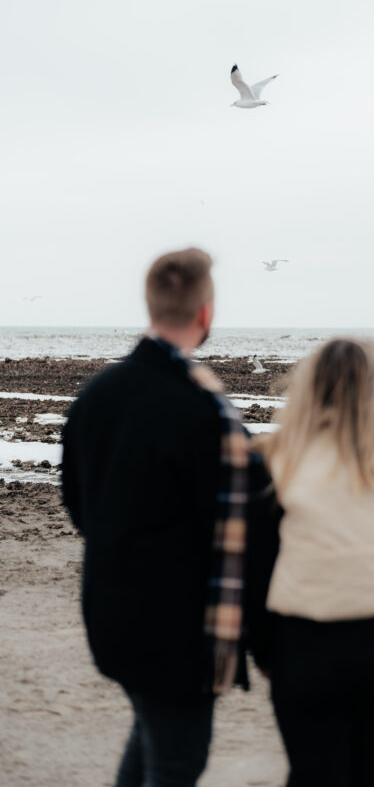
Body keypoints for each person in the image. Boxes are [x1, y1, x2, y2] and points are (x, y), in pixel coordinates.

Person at [61, 248, 278, 787]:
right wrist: (269, 640)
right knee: (177, 763)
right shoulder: (206, 411)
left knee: (152, 739)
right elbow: (247, 531)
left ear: (151, 303)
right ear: (205, 312)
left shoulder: (96, 394)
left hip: (110, 613)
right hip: (179, 630)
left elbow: (76, 501)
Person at [257, 337, 374, 787]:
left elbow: (260, 562)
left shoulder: (279, 459)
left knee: (313, 776)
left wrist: (263, 648)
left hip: (308, 642)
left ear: (309, 386)